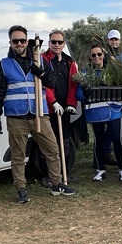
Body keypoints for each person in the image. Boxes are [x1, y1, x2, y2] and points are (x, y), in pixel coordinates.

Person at [0, 25, 76, 204]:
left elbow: (52, 82)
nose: (19, 44)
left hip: (39, 114)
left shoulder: (39, 61)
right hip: (16, 117)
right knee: (18, 155)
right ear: (11, 43)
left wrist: (42, 73)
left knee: (53, 150)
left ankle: (57, 183)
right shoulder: (4, 65)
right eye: (16, 41)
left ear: (27, 40)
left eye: (22, 40)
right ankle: (21, 188)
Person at [76, 44, 122, 182]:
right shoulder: (85, 74)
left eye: (99, 54)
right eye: (93, 55)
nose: (96, 57)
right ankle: (100, 169)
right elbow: (78, 94)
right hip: (96, 113)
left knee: (116, 139)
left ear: (103, 55)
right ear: (90, 57)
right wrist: (84, 94)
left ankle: (121, 169)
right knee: (99, 140)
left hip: (114, 111)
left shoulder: (114, 71)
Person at [39, 30, 79, 184]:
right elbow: (43, 84)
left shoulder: (69, 61)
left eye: (59, 42)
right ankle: (47, 175)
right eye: (53, 42)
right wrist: (53, 102)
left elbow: (74, 85)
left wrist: (70, 104)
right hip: (49, 109)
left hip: (65, 110)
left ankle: (65, 173)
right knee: (49, 144)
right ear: (49, 43)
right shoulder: (43, 60)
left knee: (65, 142)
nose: (56, 45)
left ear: (64, 44)